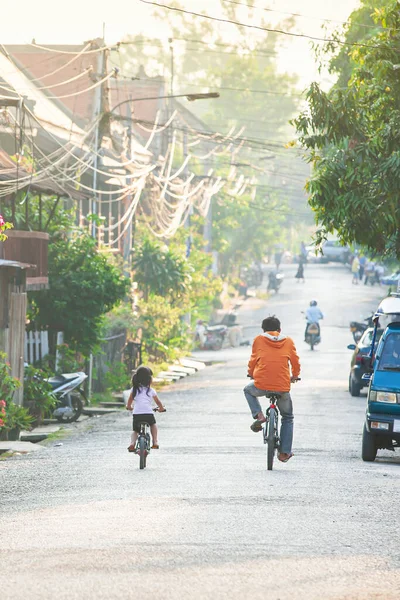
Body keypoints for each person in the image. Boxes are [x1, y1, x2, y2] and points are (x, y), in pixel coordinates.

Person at [243, 315, 301, 463]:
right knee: (287, 417)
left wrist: (251, 373)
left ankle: (259, 415)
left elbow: (253, 359)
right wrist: (294, 376)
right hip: (282, 386)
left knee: (248, 390)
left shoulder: (259, 339)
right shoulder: (288, 341)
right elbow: (295, 361)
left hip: (261, 384)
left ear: (263, 330)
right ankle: (284, 453)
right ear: (279, 329)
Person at [126, 366, 165, 452]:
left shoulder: (134, 390)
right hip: (148, 414)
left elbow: (129, 401)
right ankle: (155, 442)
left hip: (137, 414)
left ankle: (132, 443)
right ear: (149, 380)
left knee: (135, 431)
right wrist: (161, 408)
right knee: (153, 425)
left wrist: (129, 407)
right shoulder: (151, 390)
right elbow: (158, 402)